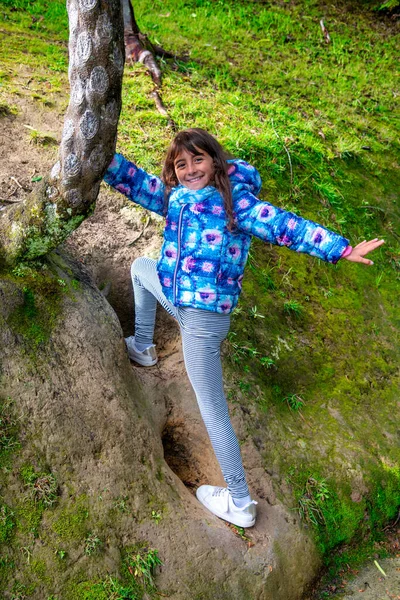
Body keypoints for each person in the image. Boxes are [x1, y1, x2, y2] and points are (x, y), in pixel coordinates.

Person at [104, 128, 384, 528]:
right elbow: (139, 184)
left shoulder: (237, 204)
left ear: (215, 160)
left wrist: (340, 248)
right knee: (139, 268)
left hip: (203, 321)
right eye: (180, 164)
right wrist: (103, 158)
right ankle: (143, 346)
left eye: (197, 159)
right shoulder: (177, 199)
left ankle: (240, 501)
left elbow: (286, 226)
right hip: (177, 298)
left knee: (212, 409)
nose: (189, 169)